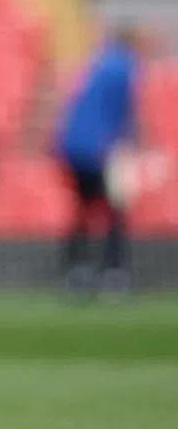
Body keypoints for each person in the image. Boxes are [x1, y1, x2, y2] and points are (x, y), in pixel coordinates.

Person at [55, 26, 142, 299]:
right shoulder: (125, 66)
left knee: (83, 207)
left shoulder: (96, 64)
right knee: (114, 209)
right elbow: (124, 110)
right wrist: (127, 143)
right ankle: (113, 272)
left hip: (72, 146)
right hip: (98, 148)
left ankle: (77, 270)